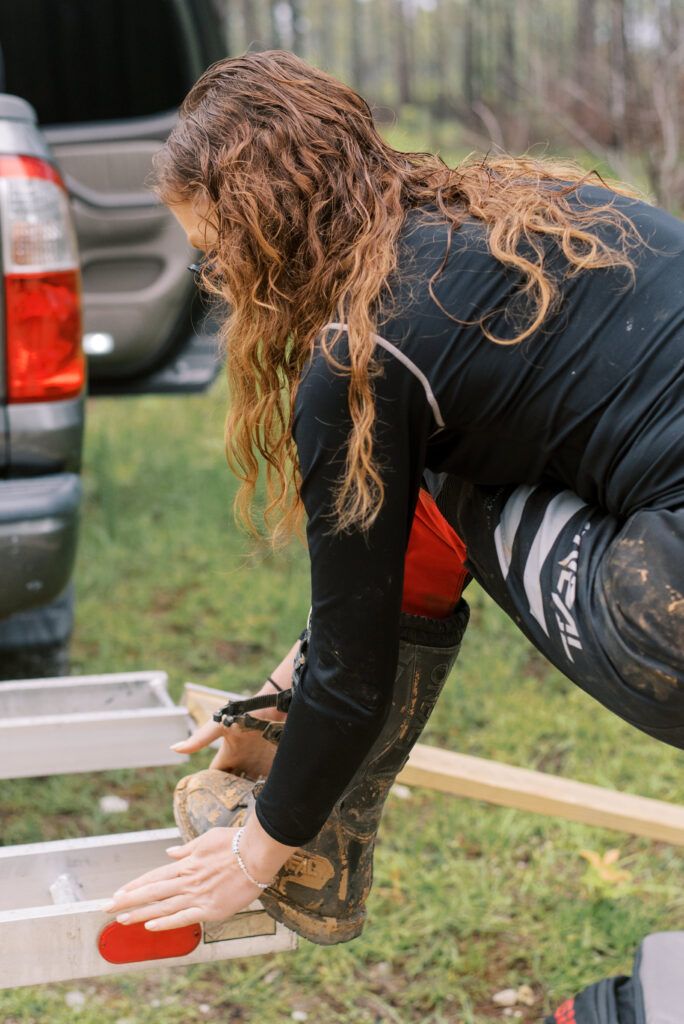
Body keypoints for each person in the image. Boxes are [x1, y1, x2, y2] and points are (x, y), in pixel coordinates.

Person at [104, 50, 684, 937]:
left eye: (215, 258)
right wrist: (284, 686)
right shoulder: (534, 211)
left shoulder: (362, 358)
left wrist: (250, 853)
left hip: (669, 615)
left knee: (420, 471)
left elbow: (353, 666)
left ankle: (319, 855)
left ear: (263, 237)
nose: (218, 285)